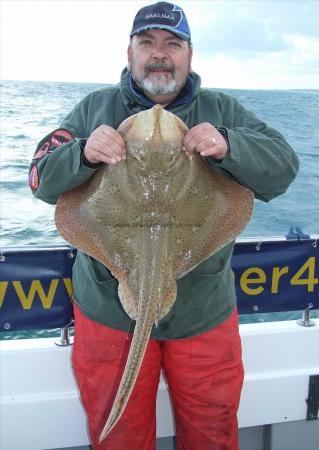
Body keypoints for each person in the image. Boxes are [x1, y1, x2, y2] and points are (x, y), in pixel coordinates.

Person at [29, 2, 299, 449]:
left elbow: (284, 168)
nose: (160, 54)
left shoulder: (222, 109)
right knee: (117, 437)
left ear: (189, 55)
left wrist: (229, 145)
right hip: (109, 314)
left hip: (202, 312)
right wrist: (81, 153)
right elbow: (39, 176)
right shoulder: (95, 108)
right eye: (147, 43)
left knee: (213, 432)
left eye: (172, 44)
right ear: (130, 52)